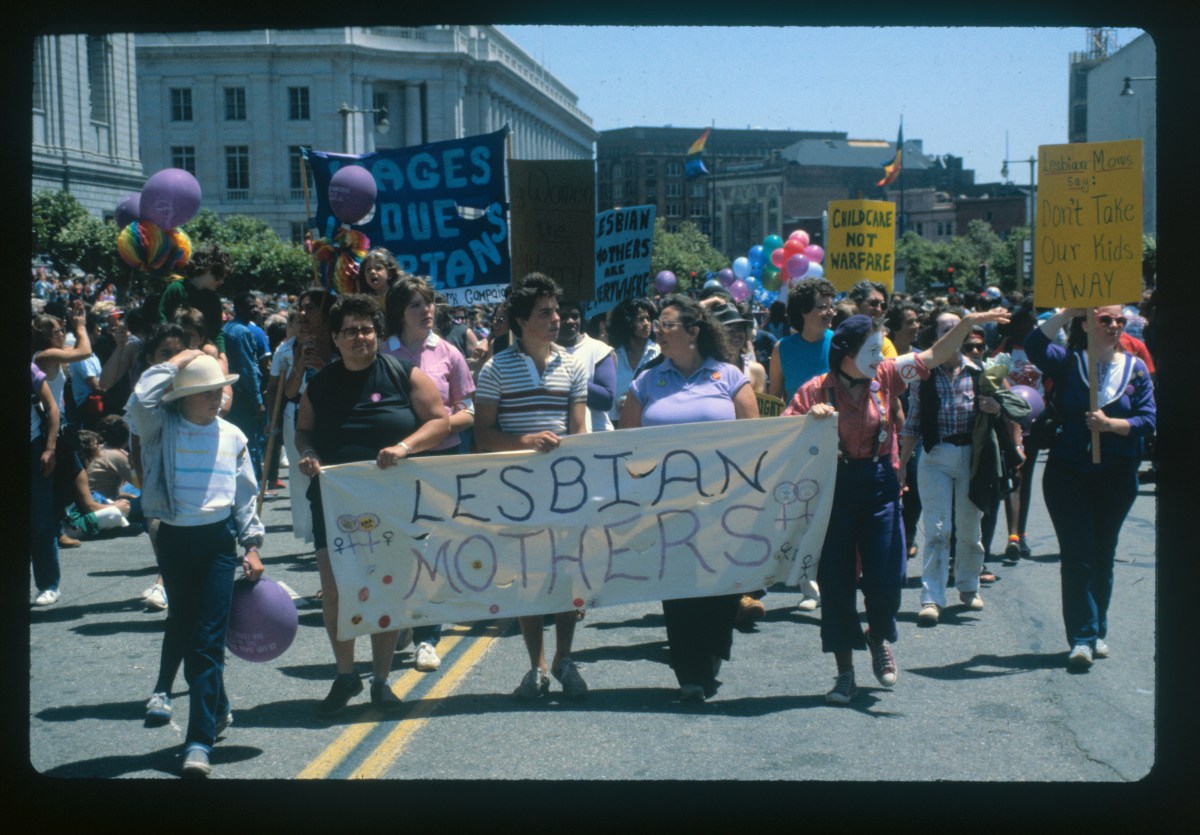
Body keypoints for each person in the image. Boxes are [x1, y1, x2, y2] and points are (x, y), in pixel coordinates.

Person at [784, 307, 1008, 704]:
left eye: (880, 349)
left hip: (880, 486)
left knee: (887, 581)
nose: (879, 356)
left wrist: (968, 324)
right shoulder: (815, 390)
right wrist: (807, 421)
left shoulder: (885, 376)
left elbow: (933, 356)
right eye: (871, 349)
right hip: (833, 493)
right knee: (836, 585)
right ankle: (844, 673)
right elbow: (783, 438)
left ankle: (877, 634)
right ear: (846, 352)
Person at [295, 294, 450, 716]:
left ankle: (381, 680)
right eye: (350, 331)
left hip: (392, 501)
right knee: (335, 591)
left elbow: (440, 420)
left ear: (378, 335)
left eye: (366, 329)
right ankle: (346, 674)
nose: (359, 337)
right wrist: (308, 454)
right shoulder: (322, 383)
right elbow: (303, 430)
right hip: (334, 501)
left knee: (387, 589)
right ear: (336, 338)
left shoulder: (404, 375)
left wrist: (404, 447)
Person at [125, 348, 265, 778]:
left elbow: (245, 495)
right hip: (173, 541)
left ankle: (199, 741)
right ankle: (218, 706)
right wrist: (176, 362)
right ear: (181, 397)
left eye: (219, 389)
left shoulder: (233, 436)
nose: (216, 397)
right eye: (204, 391)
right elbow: (137, 403)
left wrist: (252, 543)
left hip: (217, 545)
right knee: (187, 633)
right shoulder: (159, 429)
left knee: (205, 642)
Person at [620, 295, 759, 702]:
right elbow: (627, 442)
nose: (657, 331)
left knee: (721, 583)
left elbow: (754, 437)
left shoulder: (729, 376)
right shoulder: (647, 381)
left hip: (722, 501)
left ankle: (714, 646)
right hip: (667, 503)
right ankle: (689, 672)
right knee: (679, 584)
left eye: (667, 325)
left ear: (693, 333)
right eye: (657, 326)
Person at [473, 273, 589, 700]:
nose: (557, 319)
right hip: (517, 492)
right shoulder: (495, 369)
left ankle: (564, 659)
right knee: (527, 579)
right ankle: (536, 665)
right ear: (521, 321)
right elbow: (483, 436)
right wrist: (527, 442)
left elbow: (578, 430)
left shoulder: (573, 365)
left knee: (565, 579)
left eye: (556, 310)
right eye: (546, 313)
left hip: (564, 489)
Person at [1024, 307, 1155, 670]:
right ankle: (1081, 638)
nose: (1114, 326)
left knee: (1103, 553)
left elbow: (1147, 419)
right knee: (1078, 554)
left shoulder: (1136, 368)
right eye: (1104, 320)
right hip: (1069, 472)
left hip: (1117, 472)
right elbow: (1034, 344)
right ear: (1086, 324)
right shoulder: (1068, 361)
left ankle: (1097, 630)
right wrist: (1066, 311)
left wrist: (1111, 424)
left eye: (1119, 322)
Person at [380, 276, 477, 672]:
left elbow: (468, 411)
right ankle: (403, 618)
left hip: (437, 464)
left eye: (429, 303)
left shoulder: (449, 353)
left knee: (432, 551)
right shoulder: (383, 353)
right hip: (392, 467)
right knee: (397, 549)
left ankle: (427, 637)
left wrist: (433, 430)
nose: (427, 311)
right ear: (399, 313)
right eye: (416, 305)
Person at [900, 311, 1006, 626]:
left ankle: (968, 585)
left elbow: (1000, 413)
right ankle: (932, 598)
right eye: (947, 329)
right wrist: (902, 463)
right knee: (936, 531)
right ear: (936, 339)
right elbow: (913, 421)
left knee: (970, 529)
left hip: (972, 459)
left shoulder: (980, 372)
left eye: (958, 328)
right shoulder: (924, 374)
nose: (955, 334)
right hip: (936, 456)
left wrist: (994, 408)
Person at [158, 245, 231, 361]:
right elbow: (162, 317)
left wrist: (222, 354)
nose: (222, 281)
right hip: (175, 343)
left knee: (212, 351)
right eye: (220, 276)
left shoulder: (214, 299)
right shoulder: (176, 289)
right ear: (208, 269)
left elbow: (217, 331)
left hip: (200, 344)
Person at [768, 277, 835, 402]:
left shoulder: (839, 343)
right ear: (804, 310)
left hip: (832, 420)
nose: (831, 312)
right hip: (795, 420)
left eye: (832, 307)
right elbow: (774, 396)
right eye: (824, 307)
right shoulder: (782, 348)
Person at [222, 292, 267, 479]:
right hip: (244, 397)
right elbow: (248, 369)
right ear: (238, 308)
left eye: (256, 306)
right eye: (251, 307)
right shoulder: (242, 332)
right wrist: (258, 401)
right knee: (250, 443)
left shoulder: (228, 328)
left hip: (234, 395)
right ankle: (254, 485)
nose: (256, 310)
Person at [558, 299, 617, 431]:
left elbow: (606, 399)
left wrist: (566, 378)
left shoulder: (598, 350)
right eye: (564, 317)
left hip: (596, 434)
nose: (570, 321)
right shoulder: (544, 350)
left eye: (575, 316)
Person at [30, 361, 61, 605]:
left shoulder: (28, 368)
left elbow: (52, 407)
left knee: (40, 520)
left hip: (32, 447)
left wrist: (49, 448)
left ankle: (48, 584)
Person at [605, 297, 659, 427]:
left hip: (648, 425)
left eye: (648, 319)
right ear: (627, 322)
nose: (646, 323)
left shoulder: (660, 353)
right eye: (640, 319)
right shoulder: (612, 355)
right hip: (615, 425)